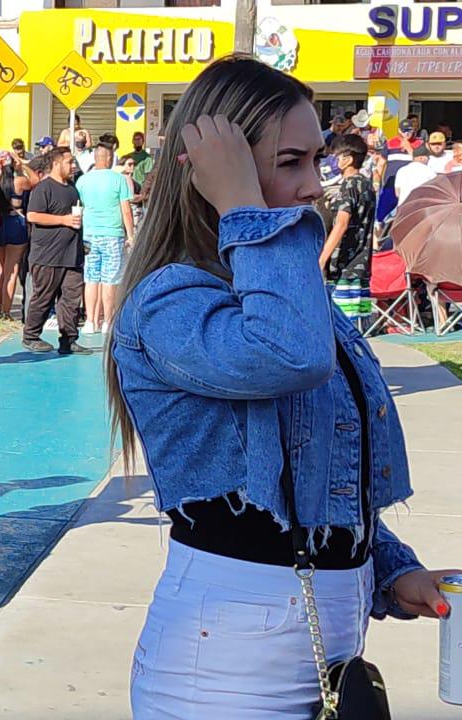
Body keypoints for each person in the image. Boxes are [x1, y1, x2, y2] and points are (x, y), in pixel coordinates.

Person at [105, 56, 458, 718]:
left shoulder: (284, 295)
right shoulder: (173, 298)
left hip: (322, 636)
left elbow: (322, 475)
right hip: (227, 661)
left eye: (317, 159)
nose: (313, 186)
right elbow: (289, 358)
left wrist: (390, 567)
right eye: (289, 162)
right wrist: (242, 205)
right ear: (211, 171)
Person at [22, 146, 88, 356]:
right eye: (69, 162)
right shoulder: (44, 188)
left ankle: (69, 339)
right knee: (44, 297)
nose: (73, 166)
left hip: (72, 254)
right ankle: (31, 336)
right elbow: (32, 215)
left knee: (71, 298)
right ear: (57, 163)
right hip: (47, 255)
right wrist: (63, 220)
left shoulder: (72, 188)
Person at [75, 144, 135, 335]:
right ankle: (108, 321)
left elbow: (80, 205)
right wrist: (131, 234)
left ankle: (90, 321)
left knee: (91, 277)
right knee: (111, 279)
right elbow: (126, 210)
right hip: (113, 233)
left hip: (89, 233)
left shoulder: (83, 180)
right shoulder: (119, 179)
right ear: (109, 159)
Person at [319, 133, 377, 325]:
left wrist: (322, 258)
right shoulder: (367, 184)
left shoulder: (349, 185)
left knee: (342, 325)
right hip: (363, 265)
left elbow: (341, 224)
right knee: (361, 325)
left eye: (338, 156)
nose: (335, 160)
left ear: (348, 159)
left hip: (344, 265)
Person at [0, 150, 37, 320]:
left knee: (2, 270)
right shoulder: (19, 181)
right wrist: (22, 164)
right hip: (16, 223)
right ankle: (6, 311)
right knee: (12, 269)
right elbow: (36, 181)